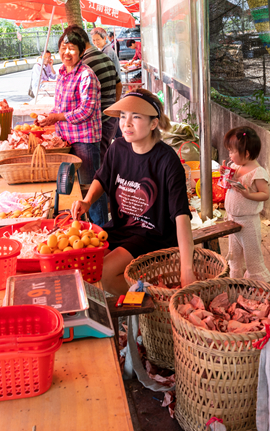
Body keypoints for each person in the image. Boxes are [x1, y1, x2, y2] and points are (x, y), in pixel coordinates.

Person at [71, 88, 195, 295]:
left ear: (153, 123)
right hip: (121, 228)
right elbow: (102, 177)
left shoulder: (167, 161)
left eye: (136, 117)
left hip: (153, 234)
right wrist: (87, 201)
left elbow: (181, 216)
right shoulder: (117, 147)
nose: (126, 123)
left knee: (103, 272)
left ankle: (153, 299)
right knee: (87, 264)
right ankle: (136, 300)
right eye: (123, 116)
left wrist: (186, 269)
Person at [39, 27, 108, 227]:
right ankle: (85, 225)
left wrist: (58, 116)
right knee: (72, 185)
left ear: (80, 52)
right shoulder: (62, 73)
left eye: (71, 48)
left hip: (84, 139)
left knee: (90, 186)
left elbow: (86, 110)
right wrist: (49, 117)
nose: (66, 52)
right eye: (63, 48)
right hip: (66, 138)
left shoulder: (86, 75)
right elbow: (59, 106)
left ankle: (102, 227)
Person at [222, 126, 270, 283]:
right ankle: (235, 278)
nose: (230, 155)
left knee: (252, 254)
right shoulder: (236, 166)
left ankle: (257, 282)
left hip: (248, 222)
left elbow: (265, 194)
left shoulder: (258, 172)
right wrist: (226, 173)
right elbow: (228, 185)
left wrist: (248, 194)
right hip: (232, 218)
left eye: (232, 151)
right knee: (234, 253)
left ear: (247, 153)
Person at [73, 26, 122, 162]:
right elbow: (119, 84)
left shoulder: (86, 64)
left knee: (98, 165)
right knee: (104, 159)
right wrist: (113, 108)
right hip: (109, 119)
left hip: (100, 122)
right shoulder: (103, 57)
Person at [91, 27, 123, 95]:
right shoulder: (102, 50)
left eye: (98, 39)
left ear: (105, 38)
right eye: (93, 40)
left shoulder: (107, 51)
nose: (95, 42)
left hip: (113, 86)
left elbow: (106, 72)